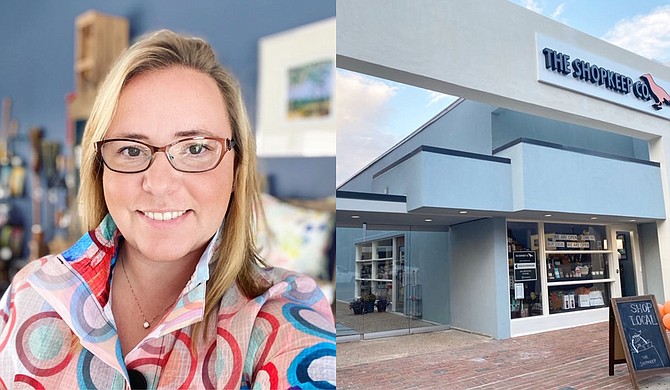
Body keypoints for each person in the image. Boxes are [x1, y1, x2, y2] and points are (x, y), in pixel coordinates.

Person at [0, 30, 335, 389]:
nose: (159, 183)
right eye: (130, 149)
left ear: (237, 169)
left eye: (195, 148)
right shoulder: (31, 291)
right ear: (100, 170)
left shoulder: (284, 315)